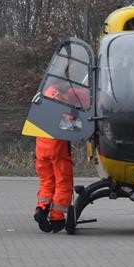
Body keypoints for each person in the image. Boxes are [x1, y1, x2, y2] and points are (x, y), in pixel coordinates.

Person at [34, 80, 90, 233]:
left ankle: (42, 208)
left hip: (41, 147)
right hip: (57, 148)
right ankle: (57, 217)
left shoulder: (46, 95)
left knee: (47, 181)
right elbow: (68, 122)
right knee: (63, 182)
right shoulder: (60, 99)